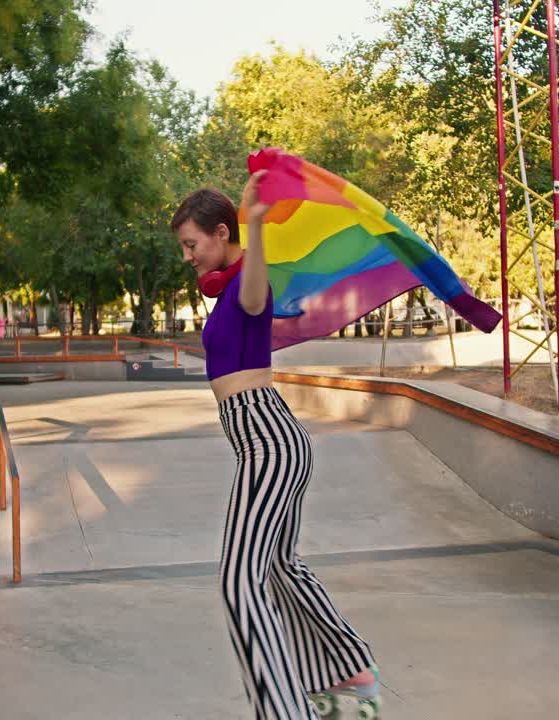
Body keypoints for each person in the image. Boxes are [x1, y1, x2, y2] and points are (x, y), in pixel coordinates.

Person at [171, 172, 382, 719]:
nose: (188, 257)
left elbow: (255, 289)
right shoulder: (225, 293)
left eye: (192, 244)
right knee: (281, 565)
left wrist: (257, 224)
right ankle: (348, 669)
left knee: (238, 581)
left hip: (268, 442)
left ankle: (284, 710)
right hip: (269, 440)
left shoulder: (249, 286)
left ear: (222, 233)